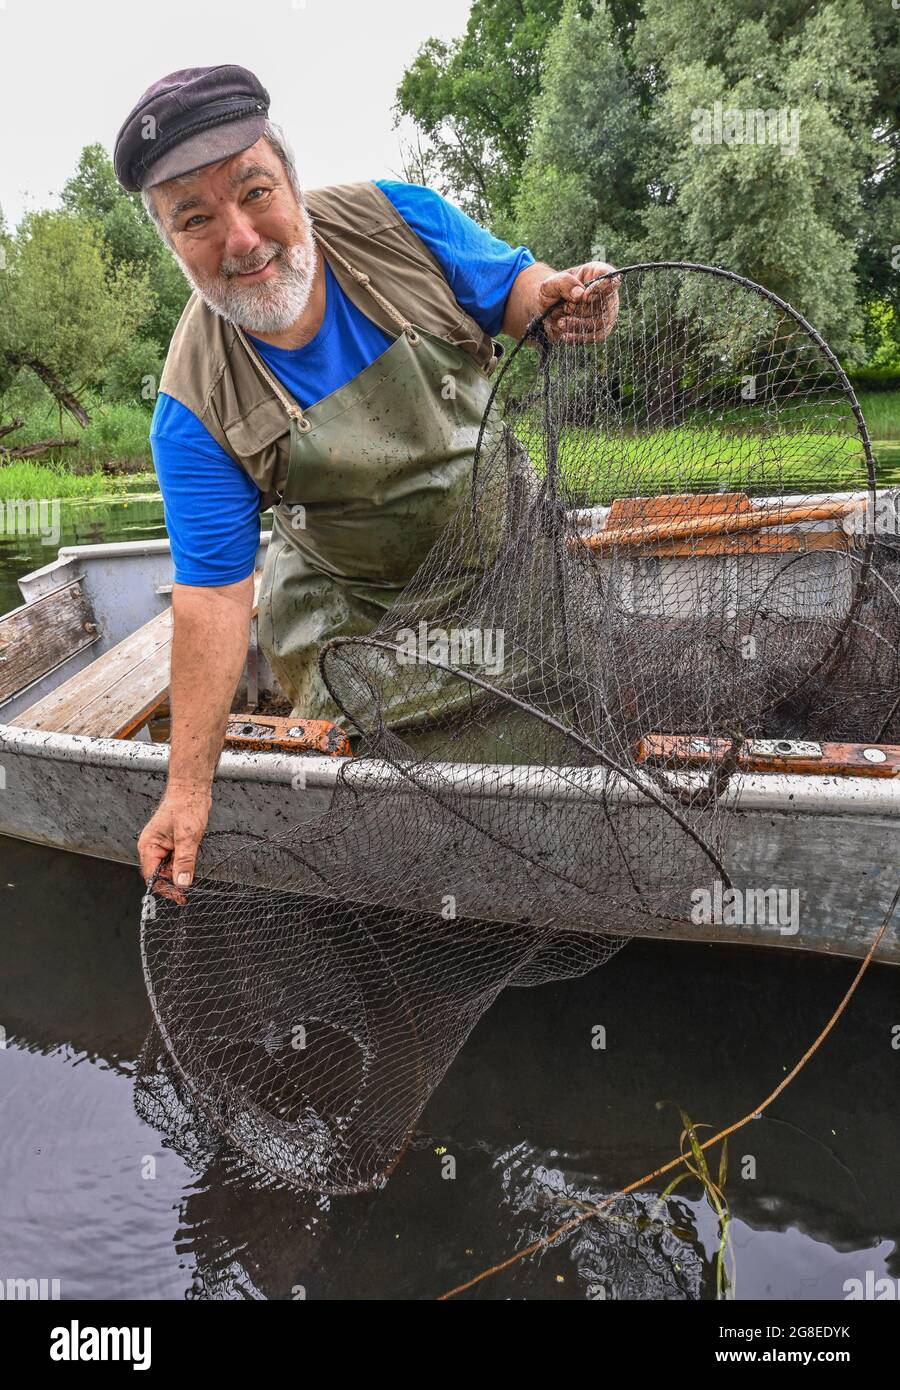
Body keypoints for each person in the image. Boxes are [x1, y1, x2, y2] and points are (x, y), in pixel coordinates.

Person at [112, 64, 619, 893]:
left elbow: (518, 292)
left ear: (292, 181)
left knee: (577, 714)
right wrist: (188, 790)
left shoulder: (396, 221)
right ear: (171, 242)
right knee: (367, 779)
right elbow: (214, 599)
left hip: (515, 568)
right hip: (361, 623)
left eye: (255, 192)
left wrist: (562, 299)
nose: (240, 239)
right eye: (195, 219)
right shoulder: (192, 406)